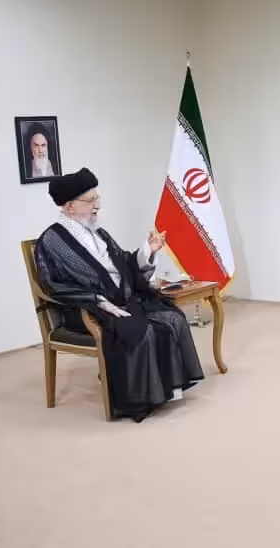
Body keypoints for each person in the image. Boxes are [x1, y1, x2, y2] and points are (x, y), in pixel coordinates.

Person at [34, 167, 205, 422]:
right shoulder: (52, 240)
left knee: (172, 318)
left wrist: (149, 250)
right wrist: (98, 301)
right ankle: (138, 400)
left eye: (97, 198)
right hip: (84, 310)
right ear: (69, 206)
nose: (97, 205)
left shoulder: (97, 232)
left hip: (120, 300)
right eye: (90, 200)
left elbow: (123, 261)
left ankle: (167, 391)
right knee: (140, 330)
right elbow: (52, 285)